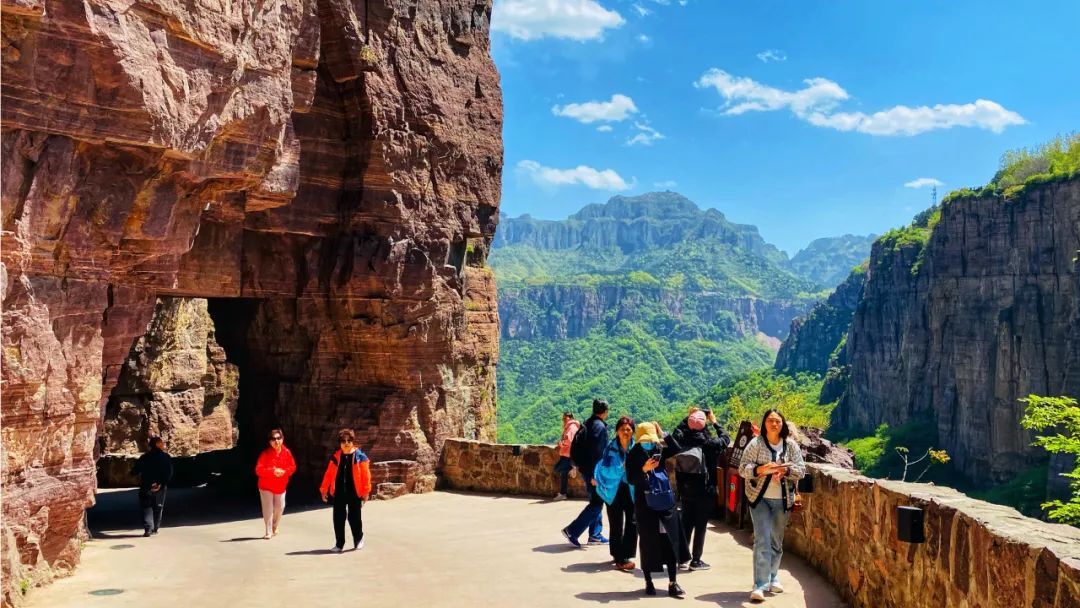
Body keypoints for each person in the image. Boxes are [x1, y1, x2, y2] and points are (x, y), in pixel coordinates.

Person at [739, 409, 806, 602]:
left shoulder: (790, 445)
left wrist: (785, 472)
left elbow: (801, 470)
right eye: (770, 420)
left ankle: (773, 576)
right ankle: (760, 585)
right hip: (759, 498)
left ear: (782, 424)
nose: (774, 424)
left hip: (783, 500)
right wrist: (761, 469)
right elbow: (743, 468)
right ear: (764, 423)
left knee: (776, 541)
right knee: (762, 540)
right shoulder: (756, 444)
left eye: (777, 421)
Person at [626, 422, 686, 598]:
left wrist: (663, 433)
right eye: (646, 441)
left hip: (665, 502)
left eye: (651, 440)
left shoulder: (658, 448)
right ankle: (648, 581)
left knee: (671, 540)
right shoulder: (633, 454)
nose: (649, 443)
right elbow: (631, 479)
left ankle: (673, 582)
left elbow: (676, 448)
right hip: (645, 505)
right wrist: (644, 469)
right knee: (648, 542)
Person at [672, 408, 731, 571]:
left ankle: (682, 558)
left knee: (686, 523)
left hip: (685, 489)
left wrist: (690, 417)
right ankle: (696, 560)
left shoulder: (681, 440)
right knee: (700, 525)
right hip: (705, 490)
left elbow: (676, 431)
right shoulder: (710, 444)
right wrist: (714, 421)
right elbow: (726, 438)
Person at [561, 399, 610, 547]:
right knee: (596, 503)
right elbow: (597, 453)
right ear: (605, 412)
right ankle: (572, 531)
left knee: (595, 501)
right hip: (593, 472)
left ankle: (595, 535)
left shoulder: (588, 423)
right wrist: (597, 474)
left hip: (586, 469)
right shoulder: (599, 427)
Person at [593, 415, 637, 571]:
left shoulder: (636, 448)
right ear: (617, 431)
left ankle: (626, 554)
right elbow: (605, 470)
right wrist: (620, 469)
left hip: (631, 489)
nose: (626, 432)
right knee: (616, 524)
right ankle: (619, 557)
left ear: (633, 431)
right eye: (622, 429)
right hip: (614, 490)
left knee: (633, 523)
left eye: (629, 429)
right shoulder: (610, 449)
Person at [320, 428, 372, 553]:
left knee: (354, 517)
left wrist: (366, 491)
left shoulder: (360, 456)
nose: (346, 443)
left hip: (355, 491)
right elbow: (329, 474)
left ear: (353, 441)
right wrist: (324, 489)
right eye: (343, 441)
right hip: (339, 492)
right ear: (340, 443)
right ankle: (339, 544)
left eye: (349, 440)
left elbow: (366, 475)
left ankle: (358, 539)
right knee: (338, 518)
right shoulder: (336, 457)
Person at [254, 427, 297, 539]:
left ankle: (275, 525)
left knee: (280, 507)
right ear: (270, 441)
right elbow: (258, 470)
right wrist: (272, 471)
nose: (276, 441)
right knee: (268, 509)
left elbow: (293, 467)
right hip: (266, 485)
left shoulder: (287, 452)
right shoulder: (265, 454)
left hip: (280, 485)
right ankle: (268, 531)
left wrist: (284, 472)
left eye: (278, 438)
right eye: (273, 439)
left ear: (282, 439)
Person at [133, 436, 173, 537]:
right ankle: (155, 529)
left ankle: (148, 528)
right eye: (161, 443)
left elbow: (135, 471)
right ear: (157, 444)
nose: (163, 445)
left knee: (146, 506)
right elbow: (169, 472)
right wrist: (161, 483)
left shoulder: (144, 457)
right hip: (160, 486)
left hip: (146, 485)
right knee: (158, 507)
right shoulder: (165, 457)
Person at [553, 412, 580, 500]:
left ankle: (572, 468)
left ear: (570, 418)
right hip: (567, 453)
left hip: (567, 453)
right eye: (563, 418)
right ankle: (563, 493)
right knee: (563, 473)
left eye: (565, 418)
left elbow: (569, 441)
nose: (563, 420)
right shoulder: (571, 426)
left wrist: (561, 444)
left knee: (557, 469)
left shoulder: (571, 427)